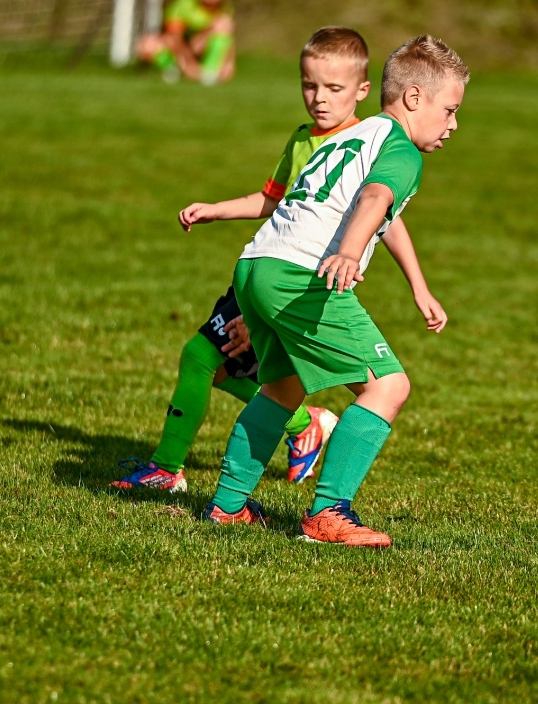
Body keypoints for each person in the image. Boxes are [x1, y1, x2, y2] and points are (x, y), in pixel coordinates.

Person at [111, 27, 448, 493]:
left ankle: (214, 487)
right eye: (310, 85)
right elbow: (285, 201)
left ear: (364, 91)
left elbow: (383, 214)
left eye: (333, 88)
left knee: (245, 373)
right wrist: (218, 210)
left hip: (277, 269)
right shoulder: (317, 140)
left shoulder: (362, 137)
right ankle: (319, 503)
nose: (319, 98)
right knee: (255, 372)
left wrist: (416, 284)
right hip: (288, 268)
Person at [202, 35, 467, 547]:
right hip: (304, 273)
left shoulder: (353, 133)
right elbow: (375, 196)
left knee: (284, 387)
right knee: (388, 386)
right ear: (414, 98)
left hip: (256, 264)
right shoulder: (400, 150)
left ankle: (228, 507)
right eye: (450, 110)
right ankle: (328, 513)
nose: (453, 124)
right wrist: (348, 250)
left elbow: (379, 213)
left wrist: (419, 286)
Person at [137, 0, 235, 85]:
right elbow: (174, 39)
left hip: (198, 49)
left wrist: (229, 63)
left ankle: (210, 73)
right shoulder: (184, 4)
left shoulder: (224, 9)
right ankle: (173, 69)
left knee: (224, 24)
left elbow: (228, 41)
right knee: (146, 45)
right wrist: (189, 66)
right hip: (178, 49)